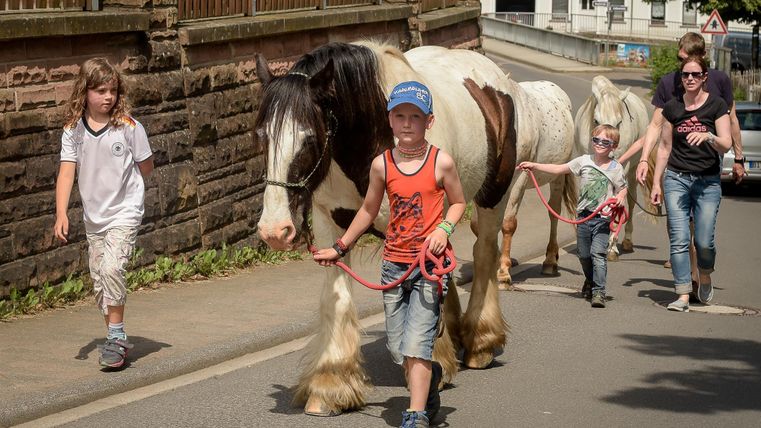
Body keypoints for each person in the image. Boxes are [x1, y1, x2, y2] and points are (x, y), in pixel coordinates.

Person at [312, 81, 465, 428]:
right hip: (394, 265)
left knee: (417, 345)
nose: (407, 123)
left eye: (415, 116)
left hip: (429, 267)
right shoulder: (382, 165)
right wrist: (339, 247)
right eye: (400, 116)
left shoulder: (442, 162)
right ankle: (431, 380)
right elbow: (367, 211)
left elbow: (458, 203)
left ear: (429, 121)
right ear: (390, 121)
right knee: (398, 349)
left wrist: (444, 229)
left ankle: (415, 413)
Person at [618, 32, 744, 294]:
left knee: (700, 232)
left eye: (690, 64)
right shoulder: (668, 83)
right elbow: (655, 127)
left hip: (708, 164)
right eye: (680, 61)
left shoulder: (719, 81)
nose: (685, 73)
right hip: (674, 164)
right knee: (679, 227)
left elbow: (732, 123)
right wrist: (642, 159)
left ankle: (700, 272)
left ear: (702, 62)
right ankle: (688, 281)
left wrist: (739, 158)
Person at [53, 58, 154, 368]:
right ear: (85, 92)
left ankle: (117, 337)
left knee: (111, 269)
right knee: (99, 282)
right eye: (100, 91)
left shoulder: (129, 127)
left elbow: (146, 167)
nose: (108, 97)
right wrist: (61, 213)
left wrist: (129, 189)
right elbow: (67, 172)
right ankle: (113, 336)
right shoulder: (73, 130)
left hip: (125, 210)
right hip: (94, 216)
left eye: (112, 90)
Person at [650, 56, 731, 313]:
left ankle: (704, 275)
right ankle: (683, 294)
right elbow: (664, 147)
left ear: (705, 77)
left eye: (695, 75)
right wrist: (656, 183)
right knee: (679, 238)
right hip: (677, 179)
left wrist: (708, 136)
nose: (690, 79)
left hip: (707, 181)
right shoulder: (672, 108)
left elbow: (726, 144)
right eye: (685, 75)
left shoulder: (716, 105)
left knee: (704, 242)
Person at [518, 124, 627, 308]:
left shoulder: (616, 168)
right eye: (596, 140)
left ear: (613, 146)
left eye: (605, 142)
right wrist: (534, 165)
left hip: (602, 218)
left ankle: (599, 291)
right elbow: (559, 169)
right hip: (583, 216)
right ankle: (591, 281)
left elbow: (622, 188)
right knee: (584, 255)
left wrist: (621, 198)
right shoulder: (584, 161)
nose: (599, 144)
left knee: (597, 254)